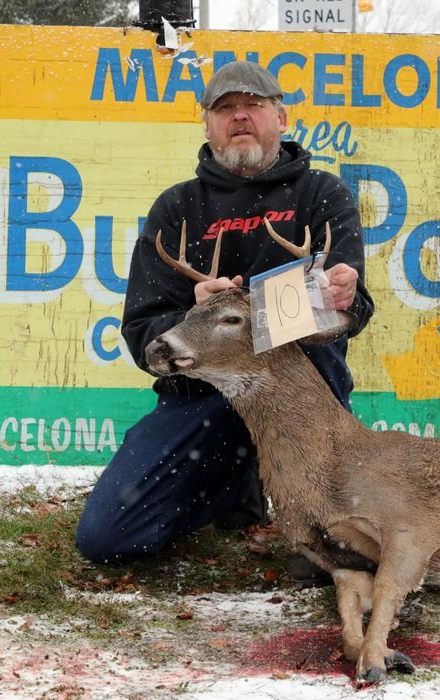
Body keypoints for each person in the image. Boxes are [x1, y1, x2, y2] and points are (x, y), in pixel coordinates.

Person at [75, 61, 374, 584]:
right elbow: (144, 331)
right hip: (204, 400)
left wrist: (342, 299)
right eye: (225, 109)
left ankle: (320, 512)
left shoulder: (322, 194)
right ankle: (232, 482)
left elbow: (352, 310)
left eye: (253, 105)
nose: (240, 117)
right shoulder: (177, 207)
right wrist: (195, 316)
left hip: (299, 400)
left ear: (281, 118)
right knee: (108, 537)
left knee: (340, 554)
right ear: (208, 125)